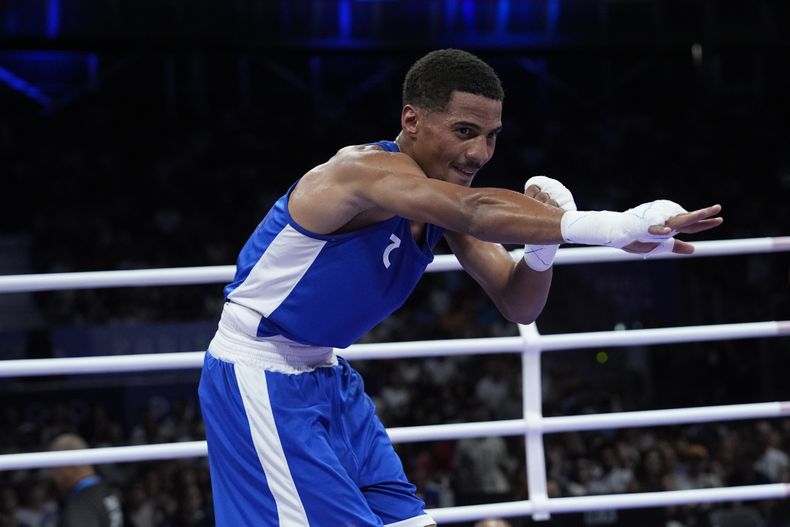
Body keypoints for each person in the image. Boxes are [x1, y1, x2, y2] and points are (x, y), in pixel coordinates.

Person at [198, 48, 722, 526]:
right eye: (465, 131)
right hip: (258, 371)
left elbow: (518, 303)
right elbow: (474, 209)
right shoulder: (359, 172)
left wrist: (544, 247)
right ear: (412, 120)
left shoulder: (441, 201)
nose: (480, 152)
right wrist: (611, 227)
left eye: (492, 136)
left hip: (325, 375)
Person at [48, 434, 123, 527]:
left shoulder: (81, 505)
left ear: (70, 466)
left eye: (54, 468)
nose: (53, 475)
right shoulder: (106, 491)